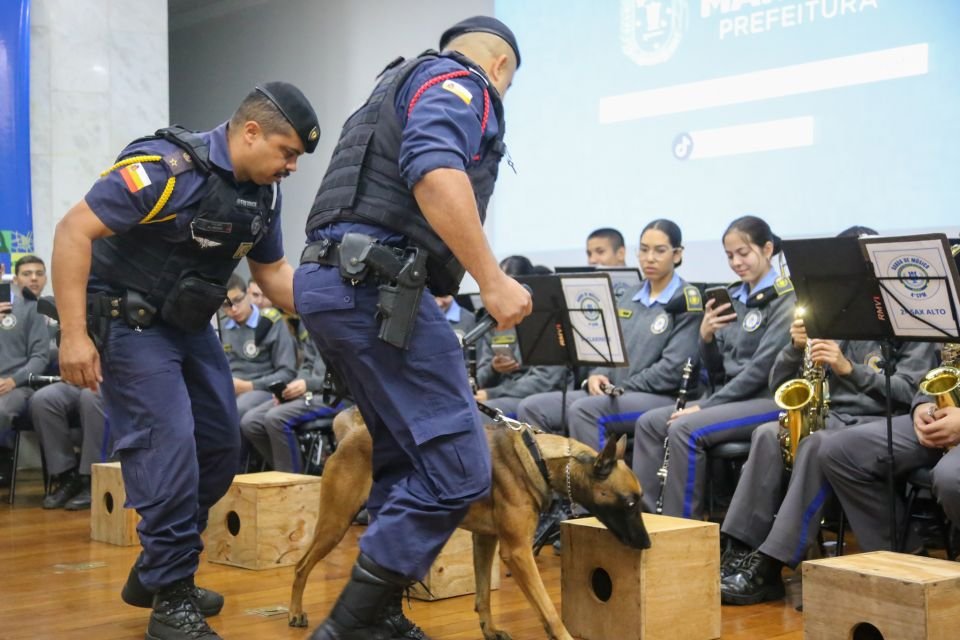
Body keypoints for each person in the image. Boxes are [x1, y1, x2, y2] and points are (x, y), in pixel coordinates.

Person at [51, 82, 319, 640]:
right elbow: (74, 230)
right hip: (131, 325)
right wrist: (74, 336)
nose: (292, 167)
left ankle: (160, 569)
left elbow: (274, 276)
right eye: (287, 152)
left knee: (219, 447)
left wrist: (344, 308)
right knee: (167, 448)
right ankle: (172, 596)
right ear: (251, 132)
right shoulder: (165, 171)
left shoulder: (264, 196)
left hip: (190, 327)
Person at [293, 16, 530, 639]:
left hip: (332, 281)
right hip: (376, 289)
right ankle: (347, 627)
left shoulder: (393, 87)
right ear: (500, 67)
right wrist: (493, 279)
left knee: (402, 459)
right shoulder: (463, 82)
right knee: (459, 468)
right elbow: (434, 170)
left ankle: (381, 621)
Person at [718, 319, 935, 605]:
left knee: (816, 444)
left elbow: (911, 393)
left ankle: (770, 564)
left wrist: (849, 369)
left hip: (880, 422)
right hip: (834, 416)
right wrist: (794, 349)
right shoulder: (833, 318)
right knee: (769, 435)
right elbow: (778, 386)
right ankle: (738, 551)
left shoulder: (907, 323)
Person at [632, 216, 795, 519]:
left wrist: (706, 406)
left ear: (767, 249)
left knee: (684, 428)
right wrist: (706, 338)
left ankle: (681, 529)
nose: (736, 263)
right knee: (650, 423)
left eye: (743, 253)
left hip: (766, 398)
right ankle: (645, 520)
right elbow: (717, 371)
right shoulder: (733, 296)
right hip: (729, 398)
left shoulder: (785, 298)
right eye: (730, 255)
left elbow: (760, 371)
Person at [519, 220, 703, 451]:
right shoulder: (629, 296)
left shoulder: (687, 299)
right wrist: (597, 375)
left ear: (677, 254)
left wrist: (620, 386)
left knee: (585, 410)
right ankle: (551, 475)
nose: (649, 258)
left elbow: (672, 370)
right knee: (533, 408)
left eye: (659, 250)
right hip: (615, 392)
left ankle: (598, 476)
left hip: (659, 396)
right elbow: (607, 349)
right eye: (644, 250)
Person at [821, 390, 960, 554]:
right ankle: (906, 560)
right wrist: (923, 405)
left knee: (950, 477)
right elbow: (933, 378)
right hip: (945, 414)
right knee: (839, 451)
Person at [240, 327, 344, 473]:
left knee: (276, 418)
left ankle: (290, 479)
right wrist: (292, 388)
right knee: (251, 421)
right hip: (311, 393)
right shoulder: (316, 327)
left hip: (339, 397)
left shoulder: (345, 330)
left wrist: (308, 384)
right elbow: (307, 365)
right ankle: (300, 471)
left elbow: (348, 378)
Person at [474, 256, 565, 416]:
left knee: (479, 414)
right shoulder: (492, 321)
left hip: (537, 397)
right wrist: (493, 369)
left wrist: (493, 393)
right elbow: (480, 378)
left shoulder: (546, 319)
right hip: (502, 395)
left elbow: (545, 380)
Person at [0, 262, 51, 486]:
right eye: (27, 273)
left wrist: (13, 380)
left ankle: (3, 460)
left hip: (17, 385)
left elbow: (40, 357)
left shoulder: (31, 308)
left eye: (39, 273)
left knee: (1, 409)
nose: (33, 278)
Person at [220, 273, 297, 418]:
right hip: (229, 390)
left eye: (238, 300)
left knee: (235, 410)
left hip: (262, 389)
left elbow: (287, 373)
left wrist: (249, 386)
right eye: (226, 304)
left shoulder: (270, 323)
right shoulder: (222, 329)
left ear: (248, 294)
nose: (234, 309)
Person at [30, 381, 109, 510]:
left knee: (91, 394)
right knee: (43, 399)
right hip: (80, 382)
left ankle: (94, 481)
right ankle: (68, 477)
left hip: (116, 382)